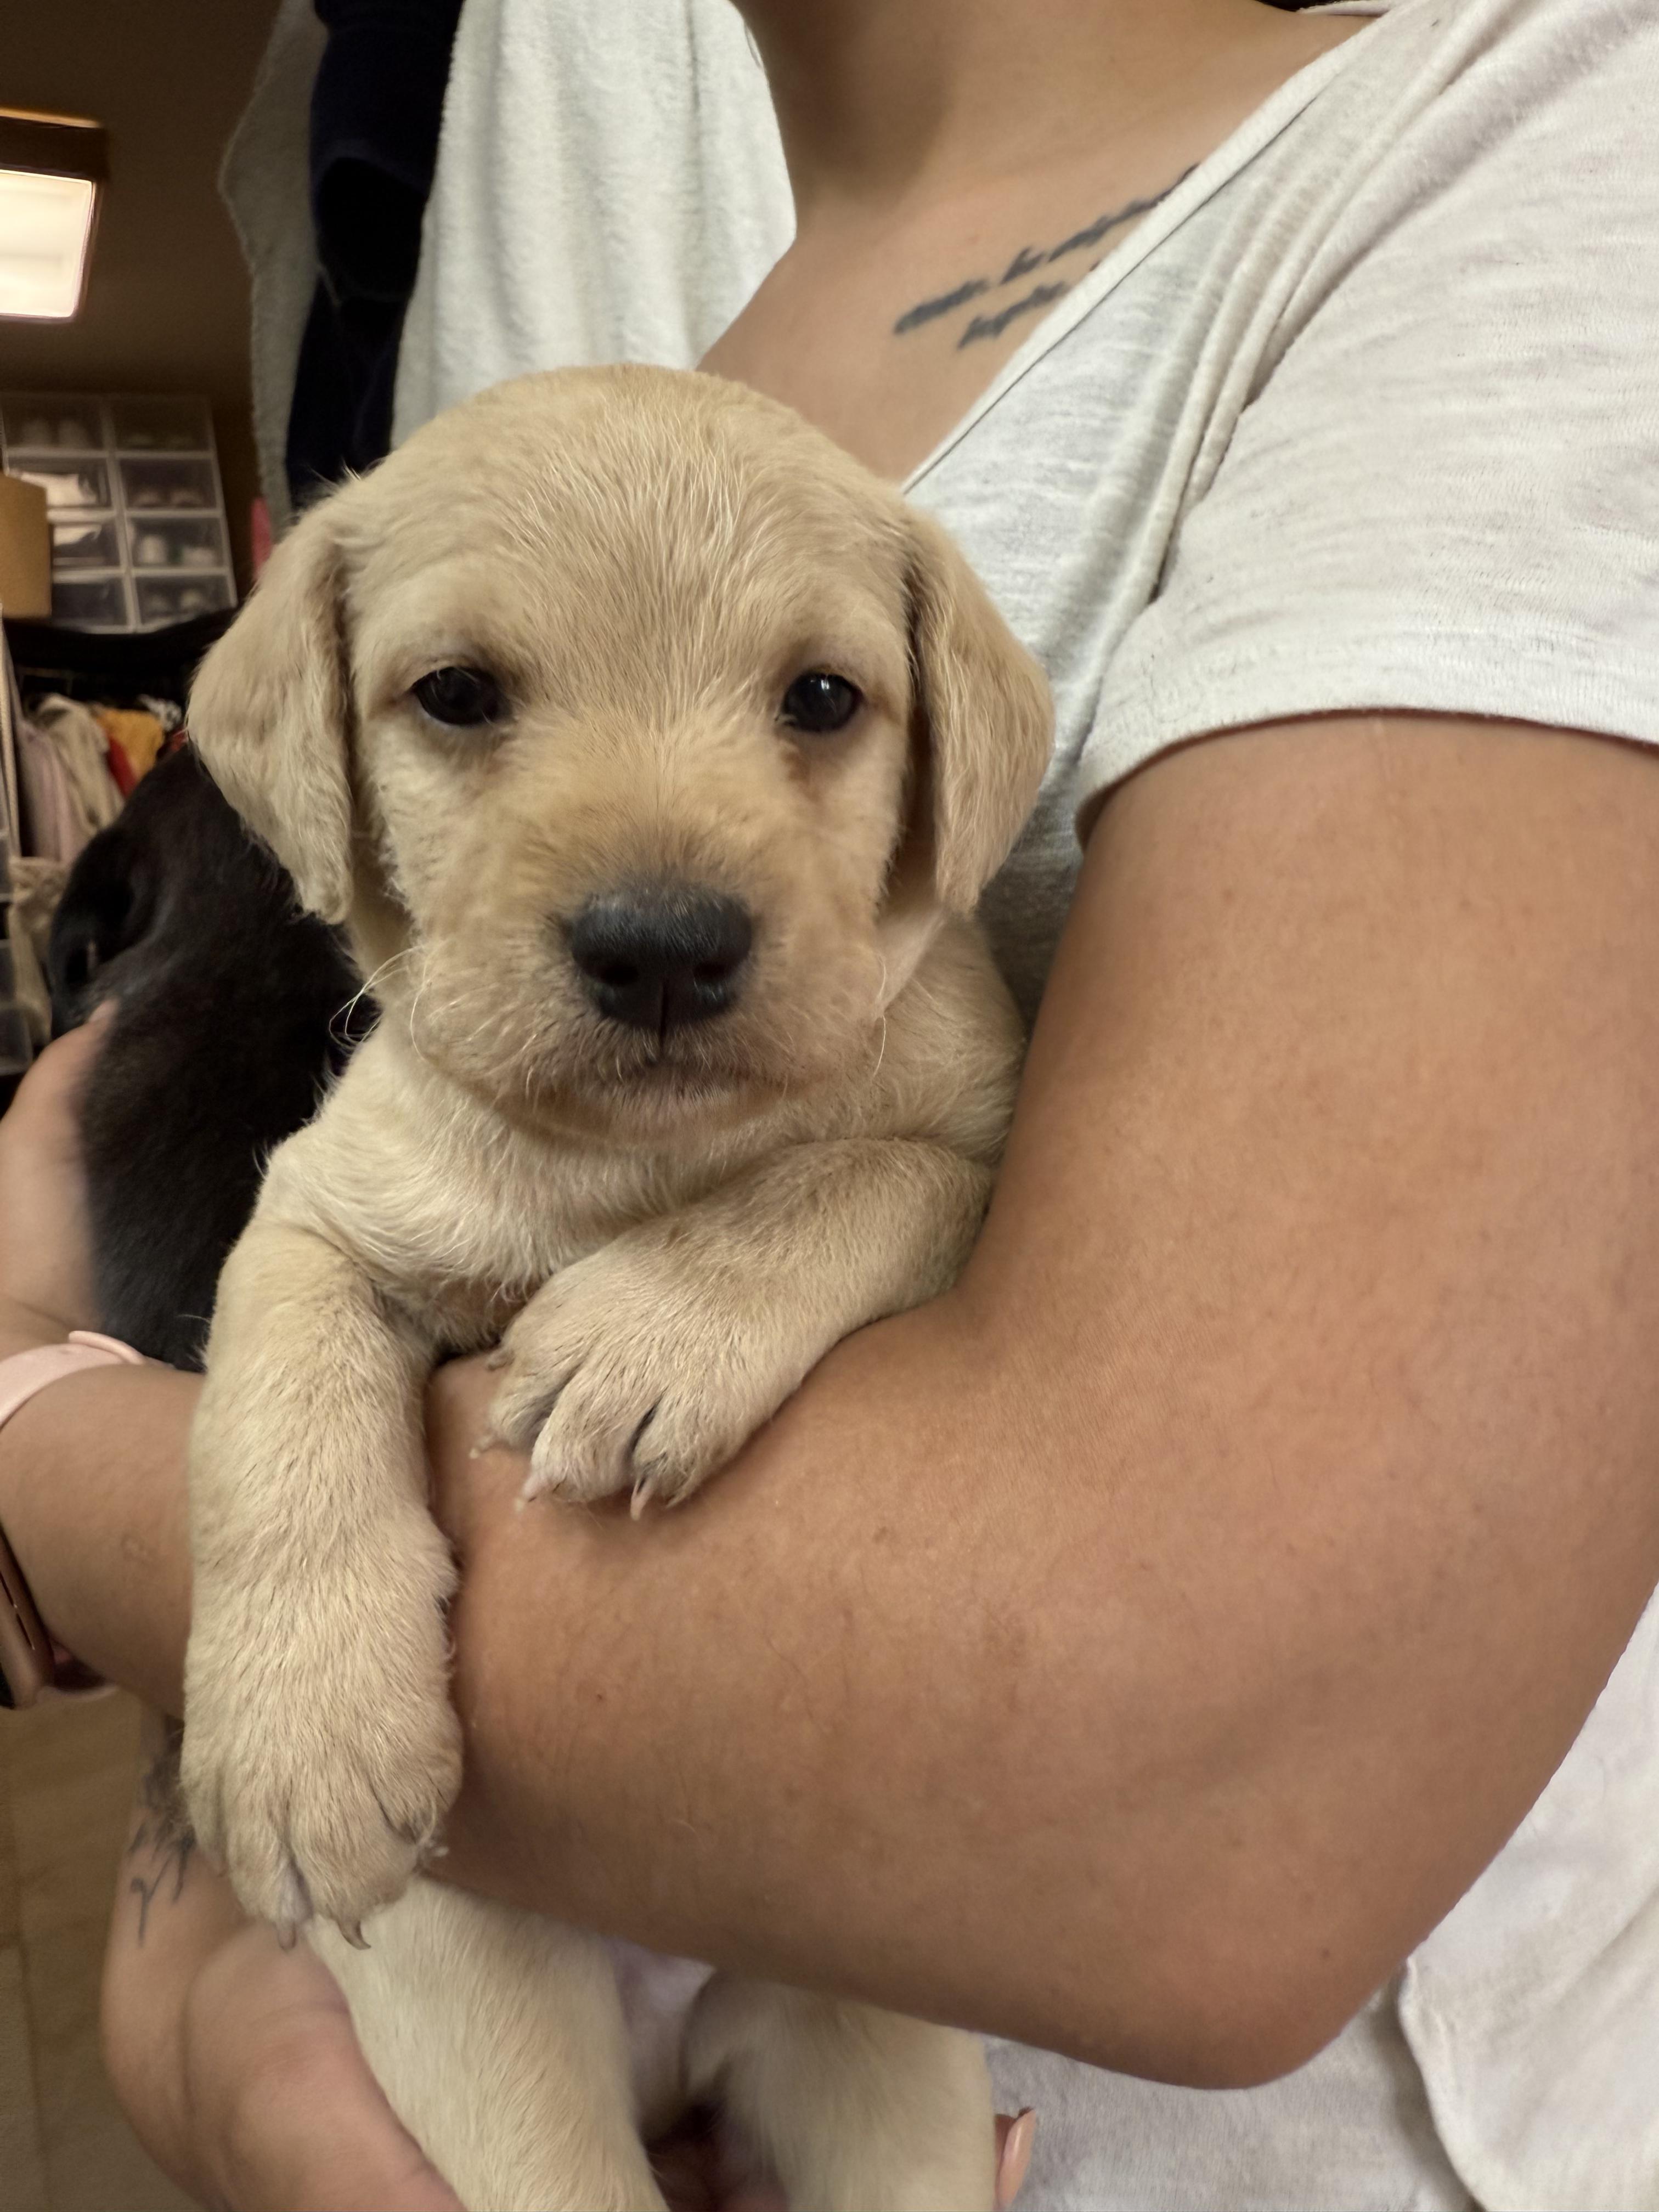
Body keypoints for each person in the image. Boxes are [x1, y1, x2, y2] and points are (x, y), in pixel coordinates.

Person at [3, 0, 1658, 2203]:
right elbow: (317, 1284)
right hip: (501, 1911)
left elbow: (1183, 1807)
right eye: (469, 697)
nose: (664, 888)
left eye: (814, 704)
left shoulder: (1540, 142)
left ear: (957, 760)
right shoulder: (552, 142)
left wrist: (37, 1433)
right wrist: (216, 1930)